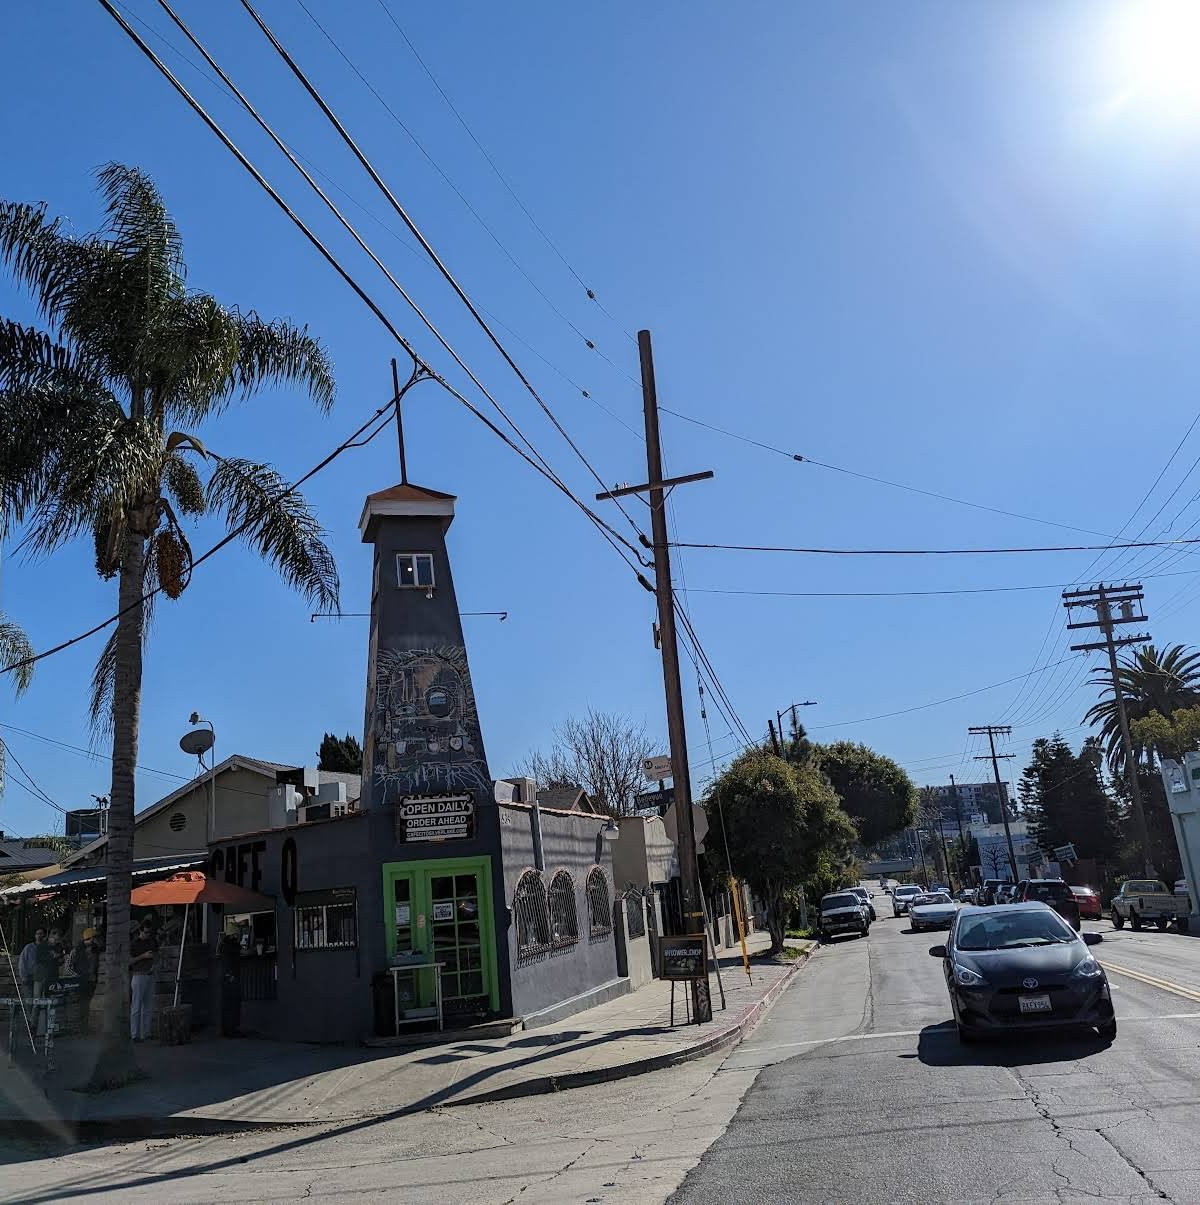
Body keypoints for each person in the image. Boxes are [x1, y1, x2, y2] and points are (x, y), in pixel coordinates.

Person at [129, 921, 158, 1042]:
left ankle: (146, 1033)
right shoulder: (134, 944)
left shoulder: (151, 941)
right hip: (138, 975)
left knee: (148, 1006)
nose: (148, 934)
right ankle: (134, 1034)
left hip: (150, 974)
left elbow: (157, 954)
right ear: (140, 931)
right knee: (136, 1006)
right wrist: (143, 956)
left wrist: (155, 964)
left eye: (149, 932)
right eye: (146, 932)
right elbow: (129, 961)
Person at [68, 929, 100, 1035]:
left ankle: (84, 1027)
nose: (95, 940)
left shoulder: (95, 950)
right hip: (81, 981)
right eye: (93, 938)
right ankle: (80, 1028)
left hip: (91, 980)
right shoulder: (77, 950)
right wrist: (77, 976)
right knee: (81, 1005)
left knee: (86, 1004)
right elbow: (68, 966)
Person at [218, 930, 243, 1038]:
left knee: (227, 1004)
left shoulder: (223, 946)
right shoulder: (232, 947)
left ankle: (226, 1029)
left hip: (226, 977)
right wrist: (231, 975)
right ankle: (232, 1029)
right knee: (233, 1004)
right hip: (231, 977)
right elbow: (237, 955)